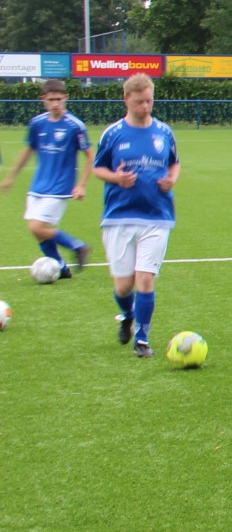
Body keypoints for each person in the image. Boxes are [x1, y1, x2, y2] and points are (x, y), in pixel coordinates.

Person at [91, 74, 178, 358]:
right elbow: (98, 168)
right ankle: (127, 315)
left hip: (157, 215)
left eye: (149, 101)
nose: (145, 107)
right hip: (119, 216)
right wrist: (116, 178)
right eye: (140, 102)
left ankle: (142, 338)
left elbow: (174, 163)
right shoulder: (112, 133)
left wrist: (171, 180)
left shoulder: (164, 132)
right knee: (123, 286)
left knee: (145, 280)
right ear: (126, 99)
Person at [1, 79, 92, 278]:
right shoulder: (37, 123)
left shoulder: (75, 126)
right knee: (37, 231)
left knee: (36, 226)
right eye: (51, 100)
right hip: (38, 185)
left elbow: (90, 157)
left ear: (66, 98)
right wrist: (11, 177)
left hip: (61, 186)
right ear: (43, 99)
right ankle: (62, 267)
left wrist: (82, 185)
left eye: (59, 99)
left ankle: (78, 246)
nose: (56, 104)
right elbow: (28, 151)